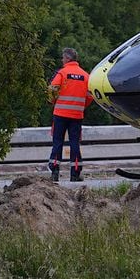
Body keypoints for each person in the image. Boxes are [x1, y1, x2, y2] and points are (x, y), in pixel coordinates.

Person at [48, 48, 89, 182]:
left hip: (60, 114)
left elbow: (53, 88)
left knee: (57, 142)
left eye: (62, 58)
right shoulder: (85, 75)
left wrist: (53, 101)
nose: (61, 60)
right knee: (74, 143)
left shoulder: (62, 73)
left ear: (67, 59)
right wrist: (81, 106)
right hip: (77, 115)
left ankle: (54, 170)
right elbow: (90, 95)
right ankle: (75, 173)